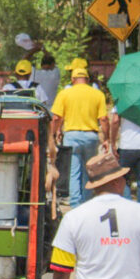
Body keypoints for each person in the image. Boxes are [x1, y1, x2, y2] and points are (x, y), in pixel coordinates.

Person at [51, 66, 109, 208]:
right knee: (88, 170)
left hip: (71, 136)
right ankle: (87, 203)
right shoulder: (97, 94)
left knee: (74, 172)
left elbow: (57, 117)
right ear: (88, 79)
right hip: (91, 136)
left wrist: (54, 133)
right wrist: (106, 139)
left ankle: (76, 205)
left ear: (72, 79)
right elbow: (104, 119)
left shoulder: (65, 93)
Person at [108, 107, 140, 208]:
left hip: (128, 145)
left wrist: (112, 142)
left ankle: (128, 210)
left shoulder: (123, 96)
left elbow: (115, 120)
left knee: (123, 179)